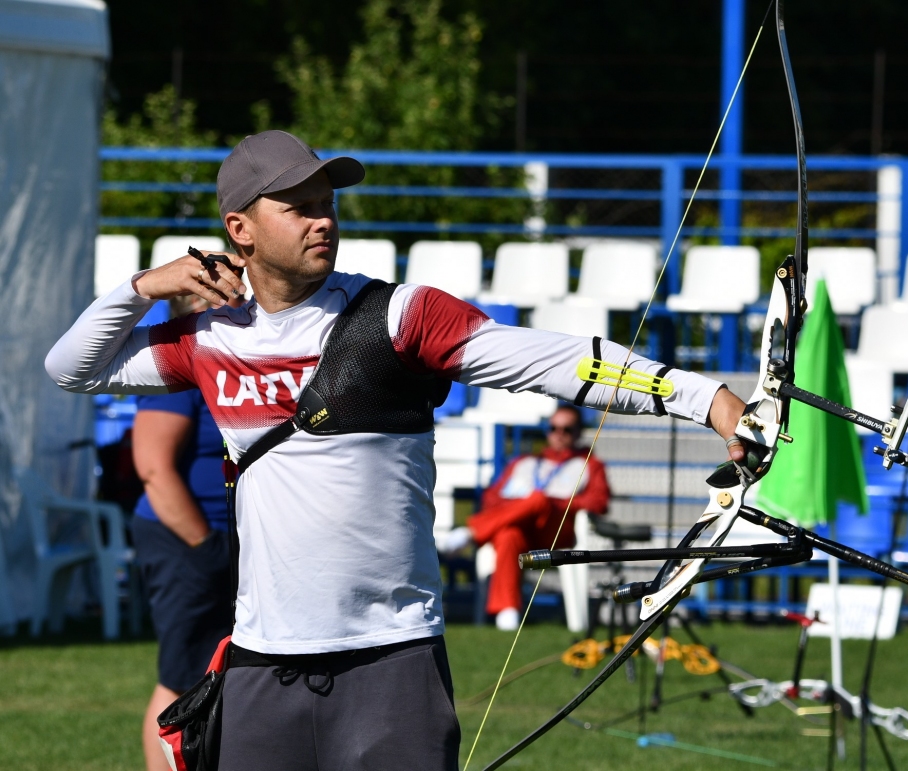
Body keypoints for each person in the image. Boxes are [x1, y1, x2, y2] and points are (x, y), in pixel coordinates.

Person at [45, 130, 750, 771]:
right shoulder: (210, 338)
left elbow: (553, 362)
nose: (324, 219)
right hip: (262, 664)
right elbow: (71, 368)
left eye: (327, 203)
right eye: (297, 207)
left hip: (391, 661)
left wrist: (704, 398)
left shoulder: (402, 315)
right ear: (240, 230)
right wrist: (143, 287)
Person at [131, 294, 234, 771]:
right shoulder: (180, 369)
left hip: (222, 538)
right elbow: (153, 469)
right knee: (180, 676)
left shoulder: (229, 359)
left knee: (215, 671)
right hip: (184, 539)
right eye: (219, 293)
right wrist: (204, 545)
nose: (235, 299)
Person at [443, 405, 609, 631]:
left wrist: (555, 503)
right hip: (520, 529)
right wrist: (519, 506)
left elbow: (598, 503)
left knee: (538, 499)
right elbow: (492, 498)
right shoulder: (524, 462)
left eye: (567, 429)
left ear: (579, 432)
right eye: (553, 428)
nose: (558, 434)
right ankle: (508, 612)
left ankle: (471, 533)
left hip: (555, 530)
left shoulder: (590, 465)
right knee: (508, 534)